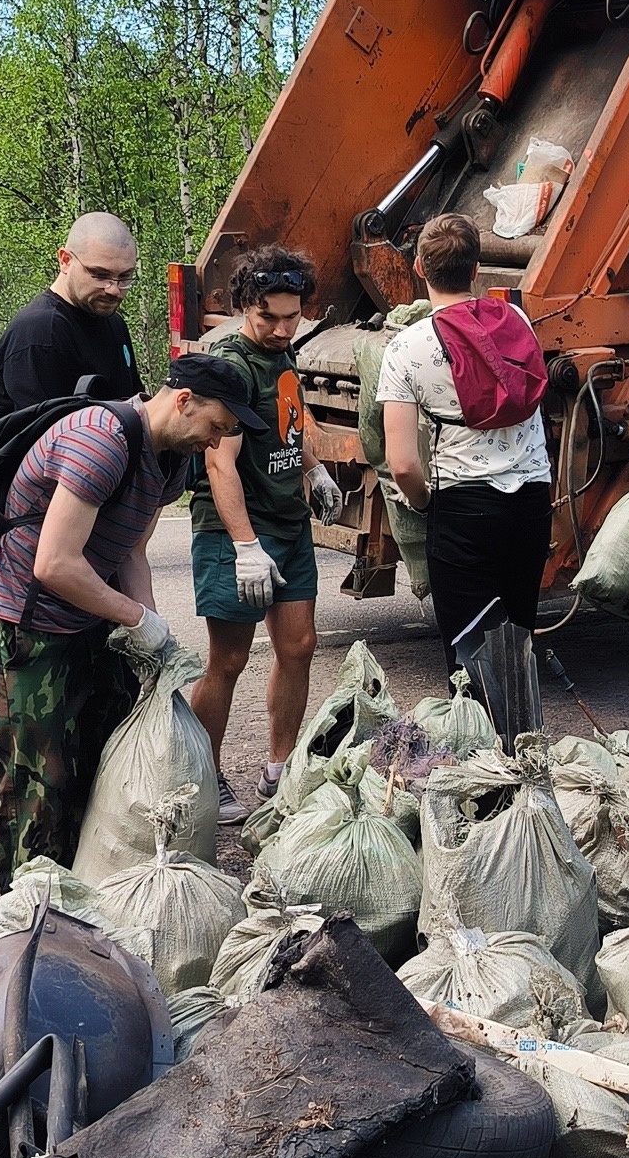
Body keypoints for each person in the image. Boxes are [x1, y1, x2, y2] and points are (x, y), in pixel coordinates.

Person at [0, 354, 256, 885]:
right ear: (184, 401)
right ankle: (24, 913)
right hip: (25, 624)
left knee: (93, 766)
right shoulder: (100, 441)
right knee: (39, 780)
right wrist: (135, 616)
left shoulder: (170, 458)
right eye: (216, 428)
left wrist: (149, 632)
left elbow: (130, 552)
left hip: (88, 619)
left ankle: (80, 896)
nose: (216, 444)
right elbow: (54, 564)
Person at [185, 249, 349, 817]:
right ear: (242, 309)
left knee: (300, 647)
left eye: (291, 317)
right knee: (227, 659)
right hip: (238, 530)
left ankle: (279, 770)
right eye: (268, 319)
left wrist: (315, 469)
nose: (282, 330)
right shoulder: (230, 366)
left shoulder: (283, 355)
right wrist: (246, 548)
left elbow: (290, 419)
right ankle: (204, 777)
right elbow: (218, 464)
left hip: (287, 521)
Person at [378, 214, 554, 675]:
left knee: (470, 653)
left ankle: (482, 746)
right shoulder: (516, 320)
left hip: (463, 508)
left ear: (419, 268)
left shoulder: (407, 347)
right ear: (477, 269)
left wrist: (423, 505)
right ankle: (522, 744)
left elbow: (401, 464)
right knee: (519, 643)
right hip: (532, 502)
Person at [0, 213, 148, 421]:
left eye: (124, 277)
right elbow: (45, 441)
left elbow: (133, 404)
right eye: (100, 275)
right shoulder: (38, 335)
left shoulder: (113, 322)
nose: (114, 290)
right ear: (65, 261)